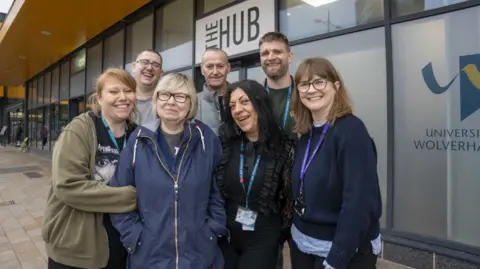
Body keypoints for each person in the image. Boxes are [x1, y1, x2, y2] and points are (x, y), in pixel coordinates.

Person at [110, 73, 228, 269]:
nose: (171, 102)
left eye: (180, 96)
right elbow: (119, 193)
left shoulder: (206, 139)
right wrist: (135, 236)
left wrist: (212, 230)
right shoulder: (138, 140)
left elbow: (219, 191)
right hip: (149, 256)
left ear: (191, 104)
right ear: (156, 100)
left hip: (199, 257)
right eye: (165, 95)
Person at [289, 57, 382, 269]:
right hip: (303, 244)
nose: (311, 89)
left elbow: (358, 203)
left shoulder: (351, 131)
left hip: (342, 251)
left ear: (336, 86)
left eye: (319, 82)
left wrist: (336, 260)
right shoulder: (305, 133)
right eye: (304, 84)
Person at [42, 68, 139, 269]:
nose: (123, 97)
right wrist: (134, 197)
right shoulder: (80, 129)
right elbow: (68, 186)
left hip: (121, 245)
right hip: (78, 247)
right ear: (100, 98)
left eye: (128, 91)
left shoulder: (137, 134)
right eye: (114, 91)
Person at [216, 79, 294, 269]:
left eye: (244, 101)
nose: (237, 110)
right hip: (227, 234)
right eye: (232, 105)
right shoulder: (226, 143)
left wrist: (279, 233)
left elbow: (289, 198)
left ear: (260, 103)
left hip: (263, 236)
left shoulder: (285, 147)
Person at [259, 31, 295, 139]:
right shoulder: (253, 98)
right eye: (265, 53)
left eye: (277, 52)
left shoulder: (305, 94)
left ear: (289, 57)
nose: (271, 57)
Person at [196, 48, 231, 135]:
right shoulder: (192, 103)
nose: (215, 72)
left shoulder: (241, 100)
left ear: (228, 68)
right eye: (209, 67)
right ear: (202, 70)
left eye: (220, 66)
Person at [132, 49, 164, 124]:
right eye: (144, 62)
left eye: (155, 65)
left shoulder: (166, 102)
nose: (149, 68)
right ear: (134, 67)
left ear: (161, 73)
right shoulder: (122, 99)